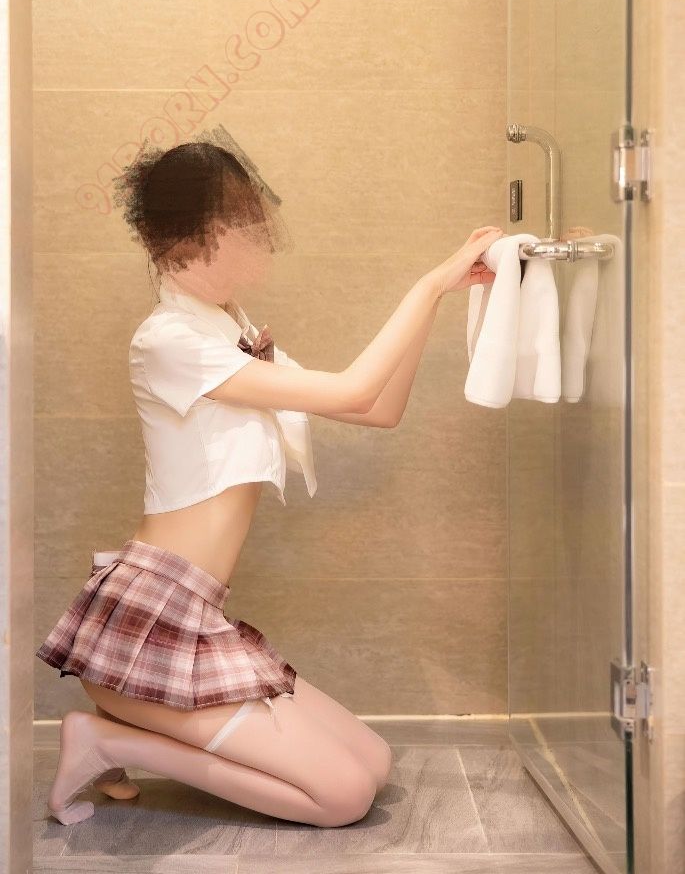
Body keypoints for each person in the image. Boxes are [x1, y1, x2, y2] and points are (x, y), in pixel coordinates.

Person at [36, 131, 501, 828]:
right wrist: (427, 283)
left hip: (194, 616)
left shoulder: (229, 330)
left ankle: (114, 737)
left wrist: (439, 301)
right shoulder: (168, 340)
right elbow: (351, 390)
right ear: (191, 237)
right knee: (342, 797)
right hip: (148, 623)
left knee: (372, 764)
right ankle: (106, 740)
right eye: (236, 220)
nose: (255, 233)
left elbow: (376, 408)